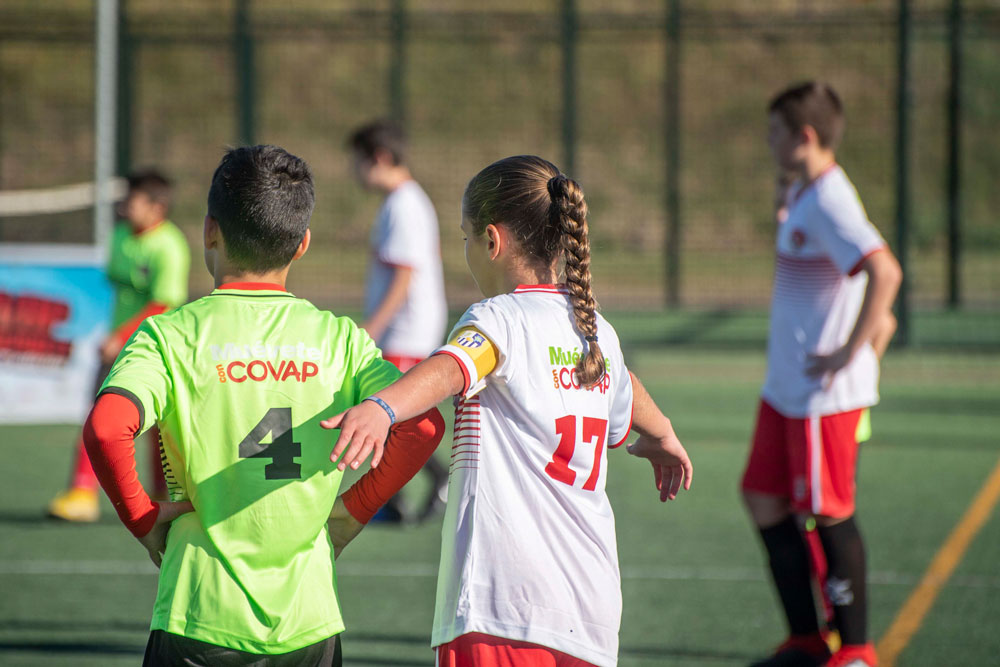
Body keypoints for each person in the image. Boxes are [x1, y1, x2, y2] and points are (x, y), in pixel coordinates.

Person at [323, 155, 694, 667]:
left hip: (502, 607)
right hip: (590, 609)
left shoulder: (499, 319)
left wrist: (383, 407)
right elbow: (626, 385)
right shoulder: (597, 335)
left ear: (492, 241)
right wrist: (664, 432)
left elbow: (454, 367)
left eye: (465, 236)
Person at [82, 145, 445, 666]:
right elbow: (423, 426)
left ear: (209, 231)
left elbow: (105, 429)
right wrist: (353, 510)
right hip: (309, 623)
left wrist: (141, 517)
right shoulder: (341, 340)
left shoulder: (169, 335)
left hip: (197, 614)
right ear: (302, 245)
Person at [743, 82, 903, 667]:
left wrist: (847, 353)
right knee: (763, 496)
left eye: (776, 133)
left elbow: (885, 272)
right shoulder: (807, 193)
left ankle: (856, 651)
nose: (769, 143)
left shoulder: (833, 198)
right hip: (784, 389)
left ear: (804, 137)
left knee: (829, 511)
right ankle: (807, 641)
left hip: (819, 395)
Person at [48, 168, 190, 522]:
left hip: (156, 348)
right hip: (119, 346)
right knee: (100, 415)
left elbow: (163, 303)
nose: (126, 206)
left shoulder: (170, 245)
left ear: (157, 207)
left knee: (161, 425)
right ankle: (82, 493)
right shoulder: (121, 237)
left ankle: (162, 491)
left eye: (134, 199)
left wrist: (120, 336)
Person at [347, 120, 449, 522]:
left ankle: (420, 486)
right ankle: (395, 498)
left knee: (393, 414)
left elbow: (405, 274)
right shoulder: (405, 202)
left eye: (358, 161)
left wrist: (373, 326)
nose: (354, 171)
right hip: (406, 328)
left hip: (406, 330)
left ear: (379, 158)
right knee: (392, 415)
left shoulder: (404, 204)